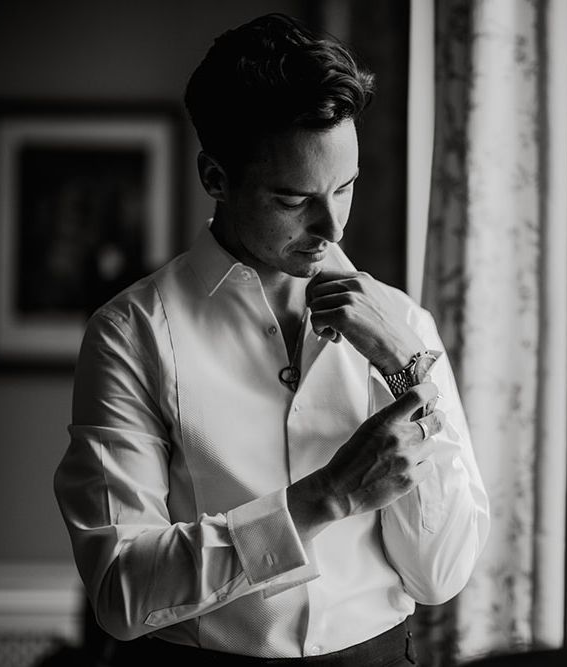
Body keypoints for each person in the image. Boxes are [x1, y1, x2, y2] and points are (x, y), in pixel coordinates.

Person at [53, 12, 490, 666]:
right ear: (214, 177)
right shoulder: (132, 335)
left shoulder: (405, 326)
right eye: (293, 199)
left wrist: (410, 370)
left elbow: (440, 575)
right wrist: (325, 497)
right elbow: (122, 591)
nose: (332, 226)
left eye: (345, 186)